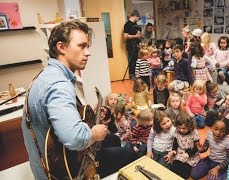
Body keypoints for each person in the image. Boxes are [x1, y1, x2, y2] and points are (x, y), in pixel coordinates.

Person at [21, 20, 108, 179]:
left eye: (87, 46)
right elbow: (74, 138)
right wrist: (94, 133)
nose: (88, 52)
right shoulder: (59, 85)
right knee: (125, 153)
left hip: (43, 167)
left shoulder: (46, 75)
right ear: (61, 47)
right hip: (59, 173)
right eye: (81, 46)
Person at [170, 113, 201, 179]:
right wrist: (174, 150)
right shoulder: (176, 131)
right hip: (179, 153)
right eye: (179, 128)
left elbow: (196, 148)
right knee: (173, 170)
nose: (181, 130)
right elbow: (175, 142)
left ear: (190, 126)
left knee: (184, 174)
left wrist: (188, 154)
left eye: (184, 128)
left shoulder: (194, 133)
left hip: (191, 155)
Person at [124, 10, 141, 80]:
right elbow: (125, 36)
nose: (138, 20)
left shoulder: (135, 24)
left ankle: (136, 74)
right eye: (138, 18)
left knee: (137, 60)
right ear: (135, 16)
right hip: (130, 45)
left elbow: (138, 33)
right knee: (132, 61)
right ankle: (131, 75)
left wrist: (139, 33)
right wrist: (136, 36)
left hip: (136, 45)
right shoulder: (127, 25)